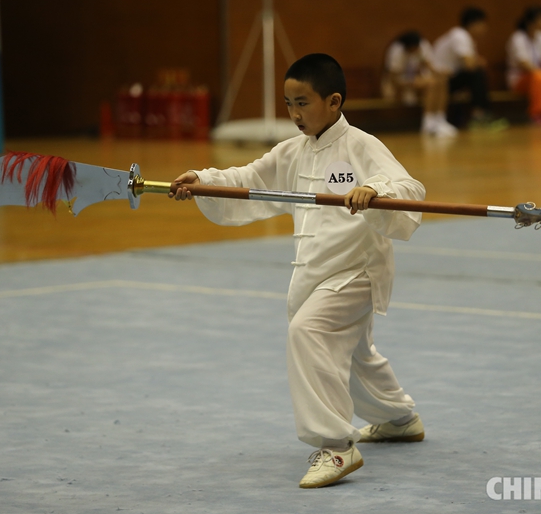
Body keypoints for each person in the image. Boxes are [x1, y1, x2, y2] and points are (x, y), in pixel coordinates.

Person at [169, 54, 426, 489]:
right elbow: (249, 179)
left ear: (334, 101)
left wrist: (375, 189)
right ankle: (398, 417)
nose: (294, 113)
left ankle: (336, 446)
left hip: (356, 272)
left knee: (308, 334)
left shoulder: (362, 146)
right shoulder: (292, 152)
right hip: (315, 275)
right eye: (288, 103)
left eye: (302, 102)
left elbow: (408, 188)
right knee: (352, 355)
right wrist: (202, 179)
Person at [432, 6, 508, 130]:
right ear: (474, 23)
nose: (485, 28)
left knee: (477, 73)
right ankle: (479, 115)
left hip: (450, 79)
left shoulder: (465, 37)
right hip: (440, 82)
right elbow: (469, 64)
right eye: (483, 24)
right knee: (476, 73)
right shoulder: (459, 35)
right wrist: (479, 62)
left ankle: (482, 113)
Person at [383, 30, 457, 137]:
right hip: (399, 83)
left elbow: (430, 67)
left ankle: (440, 120)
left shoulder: (423, 45)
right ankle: (428, 123)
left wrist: (442, 73)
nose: (416, 50)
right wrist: (411, 82)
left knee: (441, 82)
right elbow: (393, 79)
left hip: (416, 79)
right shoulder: (396, 51)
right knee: (431, 84)